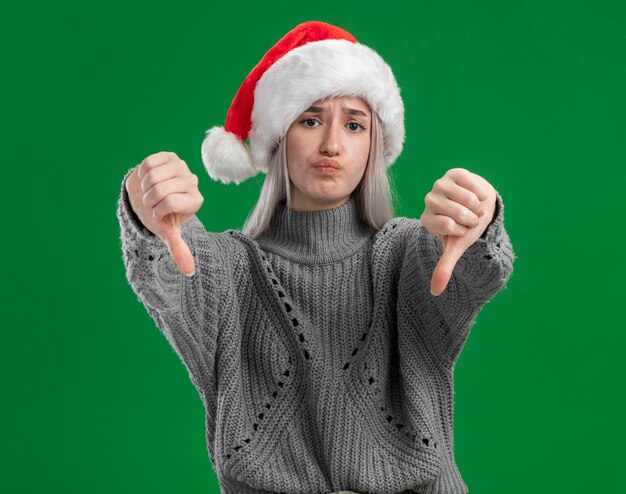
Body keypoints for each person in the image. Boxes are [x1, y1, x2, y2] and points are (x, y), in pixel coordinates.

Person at [116, 20, 515, 494]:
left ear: (374, 145)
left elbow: (476, 274)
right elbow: (171, 274)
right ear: (278, 138)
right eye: (310, 120)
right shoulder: (229, 270)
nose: (331, 144)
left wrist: (480, 220)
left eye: (353, 124)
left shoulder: (409, 252)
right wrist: (145, 209)